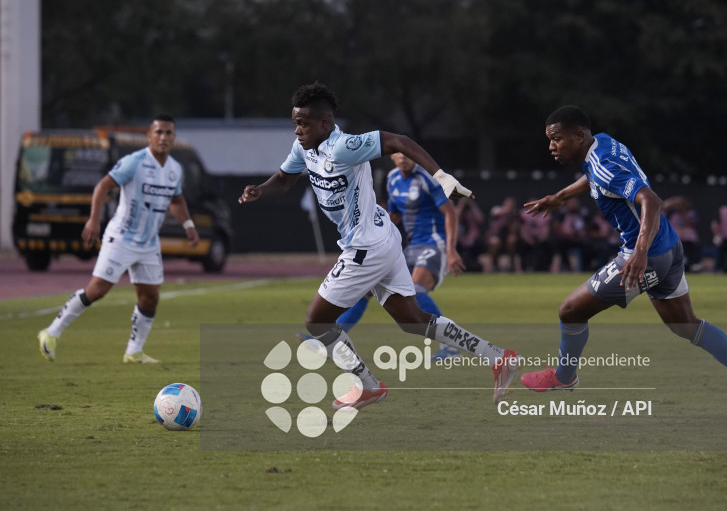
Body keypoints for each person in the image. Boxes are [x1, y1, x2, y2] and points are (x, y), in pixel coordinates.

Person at [238, 82, 519, 409]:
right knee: (413, 320)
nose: (297, 130)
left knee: (316, 320)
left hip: (365, 248)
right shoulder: (303, 147)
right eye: (295, 123)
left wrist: (441, 176)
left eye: (303, 124)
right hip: (381, 238)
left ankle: (366, 385)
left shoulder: (343, 146)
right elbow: (285, 179)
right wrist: (260, 190)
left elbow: (398, 141)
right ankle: (497, 357)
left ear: (325, 123)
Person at [520, 105, 727, 418]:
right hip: (669, 247)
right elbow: (599, 178)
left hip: (645, 256)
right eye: (550, 139)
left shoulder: (603, 163)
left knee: (570, 311)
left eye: (557, 139)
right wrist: (560, 197)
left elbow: (651, 200)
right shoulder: (602, 143)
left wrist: (640, 251)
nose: (551, 145)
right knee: (685, 326)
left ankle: (564, 377)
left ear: (578, 136)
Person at [37, 115, 200, 363]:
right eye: (159, 132)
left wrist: (188, 225)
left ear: (174, 137)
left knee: (150, 296)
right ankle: (51, 332)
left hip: (149, 243)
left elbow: (176, 200)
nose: (163, 137)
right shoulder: (134, 162)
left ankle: (134, 352)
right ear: (149, 136)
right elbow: (102, 187)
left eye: (168, 133)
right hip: (121, 238)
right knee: (98, 289)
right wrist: (93, 219)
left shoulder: (175, 169)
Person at [300, 152, 465, 361]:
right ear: (392, 158)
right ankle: (329, 340)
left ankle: (451, 347)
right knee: (367, 290)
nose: (403, 158)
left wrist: (450, 250)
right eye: (398, 154)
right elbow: (394, 215)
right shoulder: (393, 179)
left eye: (407, 155)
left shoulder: (426, 178)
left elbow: (450, 212)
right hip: (410, 245)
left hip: (434, 243)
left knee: (417, 289)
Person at [663, 196, 702, 272]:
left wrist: (683, 212)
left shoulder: (690, 213)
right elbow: (663, 207)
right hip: (676, 239)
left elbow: (692, 223)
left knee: (691, 251)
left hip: (689, 240)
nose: (679, 207)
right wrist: (672, 202)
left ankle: (693, 265)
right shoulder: (673, 215)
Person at [486, 196, 520, 272]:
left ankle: (512, 265)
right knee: (495, 242)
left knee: (512, 241)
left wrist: (510, 217)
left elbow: (514, 230)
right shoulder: (496, 209)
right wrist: (505, 212)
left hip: (507, 235)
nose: (509, 207)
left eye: (511, 205)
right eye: (508, 205)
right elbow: (495, 214)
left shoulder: (514, 216)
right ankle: (494, 266)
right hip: (496, 235)